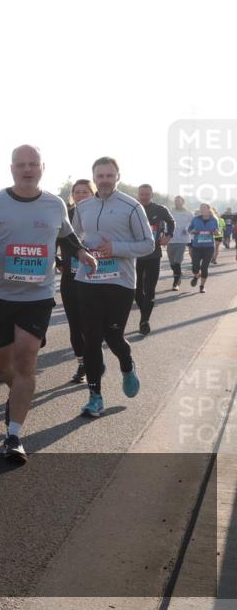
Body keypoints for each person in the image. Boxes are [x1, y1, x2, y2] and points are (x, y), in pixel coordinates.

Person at [0, 147, 95, 461]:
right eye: (21, 165)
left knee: (26, 362)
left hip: (36, 297)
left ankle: (13, 436)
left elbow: (67, 234)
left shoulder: (54, 203)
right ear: (11, 169)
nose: (27, 169)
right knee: (4, 366)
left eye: (33, 164)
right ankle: (18, 391)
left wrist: (81, 253)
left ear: (42, 167)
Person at [72, 157, 155, 418]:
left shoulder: (131, 207)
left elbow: (148, 244)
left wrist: (115, 248)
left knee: (113, 336)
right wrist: (75, 255)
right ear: (94, 177)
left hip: (120, 281)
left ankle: (127, 365)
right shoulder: (83, 207)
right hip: (89, 280)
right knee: (91, 337)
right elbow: (73, 240)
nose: (105, 180)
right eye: (100, 175)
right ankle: (95, 396)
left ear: (118, 177)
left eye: (110, 175)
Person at [57, 179, 96, 383]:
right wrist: (57, 261)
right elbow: (51, 238)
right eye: (77, 192)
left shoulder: (99, 214)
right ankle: (83, 364)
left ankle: (94, 359)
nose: (80, 195)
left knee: (91, 324)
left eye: (85, 191)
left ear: (93, 193)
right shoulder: (65, 214)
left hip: (97, 276)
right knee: (75, 323)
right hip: (71, 277)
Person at [134, 184, 175, 335]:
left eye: (147, 194)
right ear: (137, 194)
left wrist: (168, 236)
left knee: (149, 289)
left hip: (153, 254)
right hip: (135, 255)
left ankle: (144, 320)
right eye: (141, 194)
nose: (144, 196)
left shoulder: (160, 209)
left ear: (152, 195)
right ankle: (144, 311)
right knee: (136, 291)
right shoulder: (132, 208)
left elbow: (171, 222)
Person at [187, 204, 218, 292]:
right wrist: (193, 231)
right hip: (197, 247)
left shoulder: (214, 220)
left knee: (204, 268)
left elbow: (218, 230)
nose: (202, 210)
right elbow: (189, 229)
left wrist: (216, 232)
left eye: (204, 208)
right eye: (201, 208)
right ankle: (197, 275)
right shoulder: (196, 219)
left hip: (209, 248)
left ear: (209, 209)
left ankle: (202, 286)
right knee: (195, 267)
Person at [167, 196, 193, 291]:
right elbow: (166, 222)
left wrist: (187, 228)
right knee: (172, 262)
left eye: (178, 201)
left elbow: (192, 223)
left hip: (182, 239)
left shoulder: (188, 213)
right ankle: (178, 273)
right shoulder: (170, 211)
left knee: (177, 261)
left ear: (183, 202)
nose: (176, 202)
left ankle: (176, 282)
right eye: (175, 201)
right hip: (171, 239)